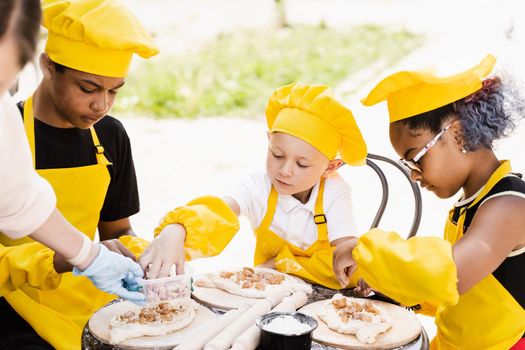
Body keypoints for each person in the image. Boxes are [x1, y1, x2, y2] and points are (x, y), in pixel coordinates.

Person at [333, 54, 525, 350]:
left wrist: (363, 250)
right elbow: (457, 295)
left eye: (415, 158)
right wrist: (390, 286)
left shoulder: (510, 205)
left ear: (458, 134)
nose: (414, 175)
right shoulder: (468, 205)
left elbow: (452, 275)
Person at [0, 0, 159, 348]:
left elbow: (117, 230)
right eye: (88, 88)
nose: (101, 105)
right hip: (16, 305)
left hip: (93, 292)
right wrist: (71, 258)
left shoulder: (110, 136)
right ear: (47, 66)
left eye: (114, 90)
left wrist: (141, 257)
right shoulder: (7, 135)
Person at [140, 82, 368, 289]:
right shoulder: (257, 186)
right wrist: (178, 229)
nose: (284, 170)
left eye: (301, 164)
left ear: (330, 167)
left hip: (326, 290)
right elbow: (219, 211)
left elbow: (344, 250)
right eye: (277, 155)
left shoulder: (335, 192)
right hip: (270, 287)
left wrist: (281, 265)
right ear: (269, 140)